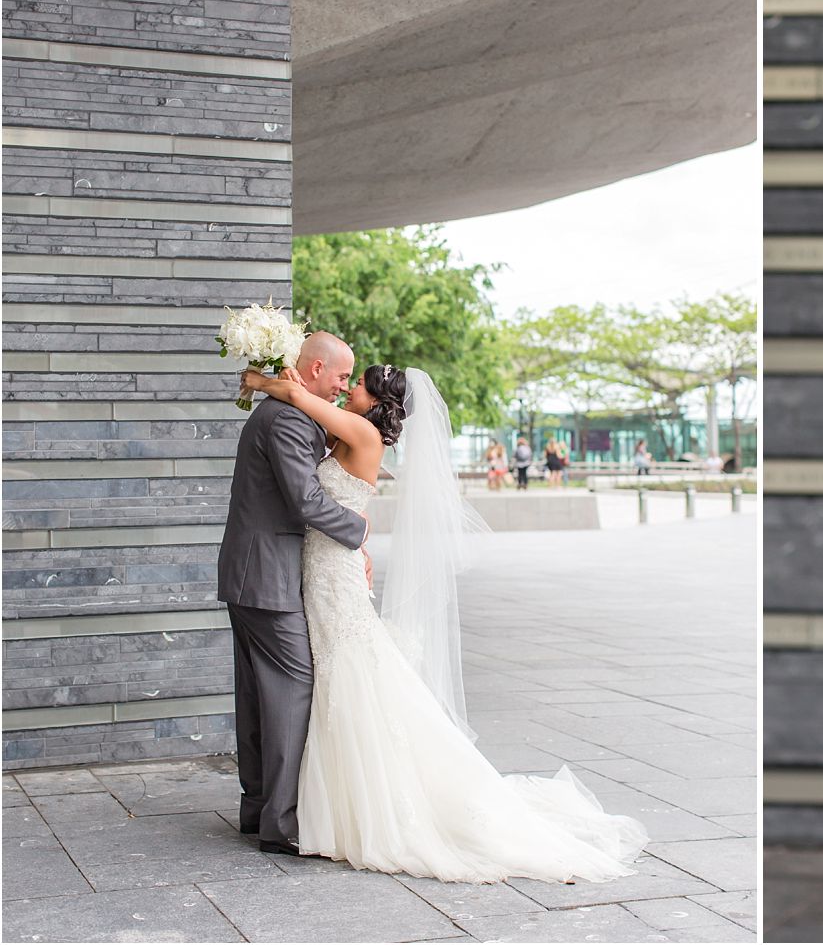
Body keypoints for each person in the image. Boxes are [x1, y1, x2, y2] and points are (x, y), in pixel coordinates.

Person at [238, 363, 648, 882]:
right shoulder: (353, 430)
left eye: (357, 383)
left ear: (376, 398)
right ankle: (327, 801)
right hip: (324, 565)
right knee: (341, 676)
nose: (349, 389)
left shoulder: (361, 432)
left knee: (349, 674)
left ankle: (354, 806)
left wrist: (261, 379)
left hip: (332, 573)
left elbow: (299, 397)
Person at [216, 331, 369, 855]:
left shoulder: (289, 410)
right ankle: (280, 825)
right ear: (316, 368)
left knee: (260, 695)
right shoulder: (286, 420)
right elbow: (304, 500)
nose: (344, 386)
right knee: (290, 690)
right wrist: (360, 531)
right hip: (266, 577)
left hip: (254, 574)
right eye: (342, 376)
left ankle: (259, 809)